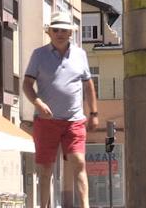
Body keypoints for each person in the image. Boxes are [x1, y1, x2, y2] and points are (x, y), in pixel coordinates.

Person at [23, 12, 99, 208]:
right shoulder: (39, 55)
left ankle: (84, 206)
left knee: (79, 162)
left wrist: (94, 114)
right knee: (45, 168)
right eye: (56, 29)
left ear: (70, 33)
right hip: (46, 122)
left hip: (74, 120)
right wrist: (38, 103)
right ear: (49, 32)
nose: (60, 33)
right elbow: (27, 85)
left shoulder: (80, 54)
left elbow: (89, 85)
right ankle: (44, 206)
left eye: (64, 30)